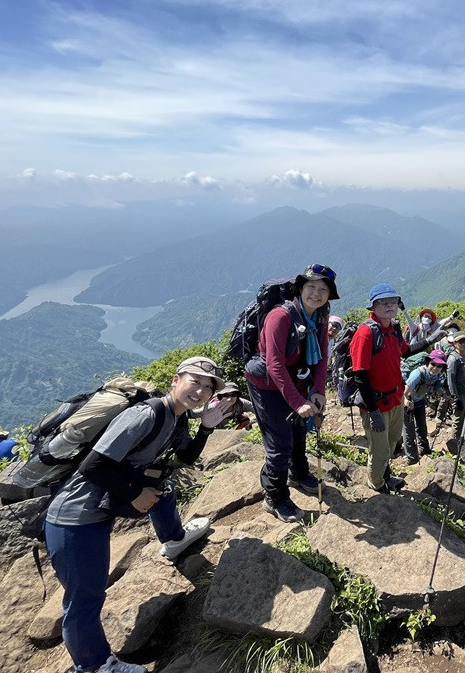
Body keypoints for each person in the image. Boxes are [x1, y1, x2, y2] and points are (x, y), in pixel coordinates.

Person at [45, 356, 233, 673]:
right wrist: (137, 494)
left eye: (207, 387)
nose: (200, 390)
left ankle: (174, 540)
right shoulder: (145, 414)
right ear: (176, 379)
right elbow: (92, 466)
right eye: (195, 381)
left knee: (164, 487)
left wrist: (206, 428)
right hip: (75, 518)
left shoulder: (177, 416)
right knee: (85, 598)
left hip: (102, 505)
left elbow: (186, 455)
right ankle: (93, 665)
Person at [245, 264, 337, 522]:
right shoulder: (280, 316)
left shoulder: (319, 316)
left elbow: (321, 358)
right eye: (311, 287)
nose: (316, 294)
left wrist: (318, 391)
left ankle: (298, 472)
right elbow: (274, 364)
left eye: (323, 289)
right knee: (279, 442)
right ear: (300, 288)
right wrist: (298, 402)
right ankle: (274, 497)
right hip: (265, 383)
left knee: (298, 430)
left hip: (295, 377)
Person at [351, 283, 436, 493]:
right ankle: (377, 487)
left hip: (395, 398)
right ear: (373, 306)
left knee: (391, 442)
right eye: (383, 302)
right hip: (376, 404)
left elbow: (406, 352)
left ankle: (385, 475)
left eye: (393, 302)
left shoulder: (392, 328)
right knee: (379, 451)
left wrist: (432, 340)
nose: (389, 306)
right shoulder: (365, 334)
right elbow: (360, 375)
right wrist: (373, 411)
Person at [403, 349, 447, 464]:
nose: (435, 368)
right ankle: (412, 459)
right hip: (408, 403)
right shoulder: (418, 373)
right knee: (409, 431)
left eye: (439, 366)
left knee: (422, 428)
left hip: (420, 401)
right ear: (428, 362)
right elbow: (404, 392)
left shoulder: (436, 375)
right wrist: (406, 401)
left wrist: (444, 395)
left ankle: (425, 450)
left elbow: (436, 387)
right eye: (433, 364)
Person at [445, 332, 465, 443]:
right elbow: (450, 379)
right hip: (458, 392)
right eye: (460, 342)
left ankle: (460, 438)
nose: (463, 344)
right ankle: (453, 442)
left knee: (463, 414)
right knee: (458, 416)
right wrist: (455, 397)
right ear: (455, 343)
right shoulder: (453, 359)